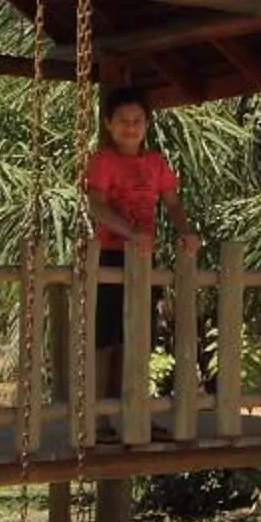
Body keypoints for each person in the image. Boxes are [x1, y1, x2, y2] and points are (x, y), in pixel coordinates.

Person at [80, 88, 197, 432]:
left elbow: (172, 202)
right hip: (110, 255)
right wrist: (130, 233)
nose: (130, 127)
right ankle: (98, 418)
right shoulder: (103, 161)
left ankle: (135, 413)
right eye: (122, 121)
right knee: (106, 339)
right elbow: (97, 205)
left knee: (139, 337)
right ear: (108, 124)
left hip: (144, 258)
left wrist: (186, 231)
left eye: (137, 121)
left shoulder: (155, 162)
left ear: (146, 124)